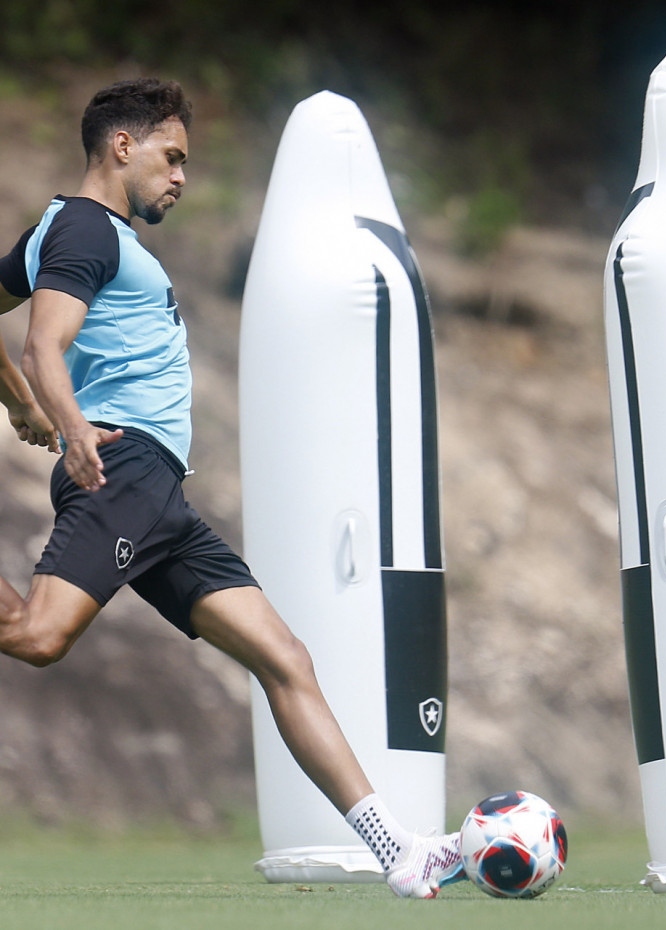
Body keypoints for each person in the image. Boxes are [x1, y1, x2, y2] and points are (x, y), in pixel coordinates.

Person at [0, 78, 463, 898]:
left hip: (159, 497)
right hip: (123, 470)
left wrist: (20, 406)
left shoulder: (60, 231)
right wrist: (65, 424)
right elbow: (43, 344)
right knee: (38, 636)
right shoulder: (85, 230)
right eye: (172, 157)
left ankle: (398, 850)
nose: (181, 177)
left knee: (284, 659)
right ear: (122, 146)